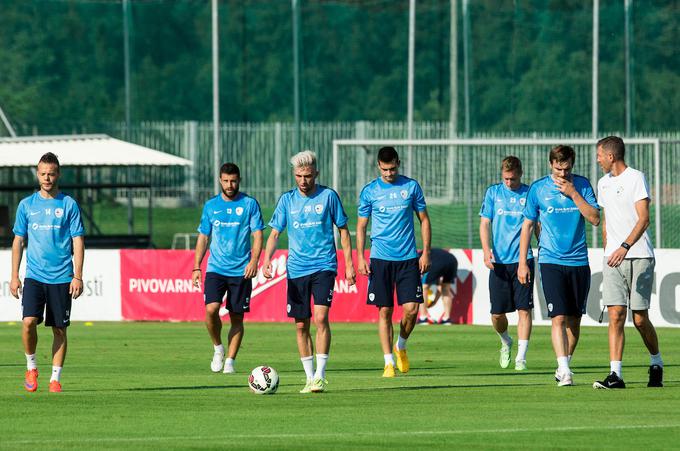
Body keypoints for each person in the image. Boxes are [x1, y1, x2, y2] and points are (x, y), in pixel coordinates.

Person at [263, 150, 355, 394]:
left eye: (307, 176)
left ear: (316, 174)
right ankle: (308, 377)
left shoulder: (328, 196)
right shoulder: (287, 200)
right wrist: (266, 259)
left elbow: (344, 231)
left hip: (324, 266)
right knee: (301, 326)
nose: (303, 181)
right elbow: (274, 233)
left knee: (321, 318)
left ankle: (320, 376)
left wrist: (349, 263)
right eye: (298, 176)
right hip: (296, 270)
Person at [518, 145, 600, 386]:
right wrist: (523, 262)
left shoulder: (583, 185)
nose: (562, 173)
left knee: (575, 321)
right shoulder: (538, 189)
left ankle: (564, 363)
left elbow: (595, 219)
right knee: (558, 317)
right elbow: (527, 226)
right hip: (550, 260)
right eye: (558, 168)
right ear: (550, 164)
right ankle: (564, 371)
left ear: (572, 165)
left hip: (578, 261)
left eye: (566, 169)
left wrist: (574, 194)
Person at [10, 152, 85, 393]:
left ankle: (55, 379)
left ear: (58, 174)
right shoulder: (26, 205)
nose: (47, 178)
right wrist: (14, 275)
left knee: (59, 329)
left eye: (51, 173)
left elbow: (78, 241)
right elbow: (18, 240)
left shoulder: (69, 204)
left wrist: (78, 275)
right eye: (43, 173)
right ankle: (31, 366)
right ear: (37, 174)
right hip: (34, 276)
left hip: (62, 277)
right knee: (29, 322)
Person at [593, 136, 663, 389]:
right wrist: (608, 250)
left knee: (640, 318)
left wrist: (624, 246)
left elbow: (643, 219)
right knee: (616, 315)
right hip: (613, 258)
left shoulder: (636, 178)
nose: (597, 159)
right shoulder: (602, 183)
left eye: (600, 155)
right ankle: (616, 374)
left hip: (639, 255)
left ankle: (656, 362)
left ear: (611, 156)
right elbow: (606, 222)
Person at [356, 146, 431, 378]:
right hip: (380, 259)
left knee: (411, 310)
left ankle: (401, 345)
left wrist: (426, 252)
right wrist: (360, 256)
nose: (389, 173)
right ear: (379, 166)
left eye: (393, 168)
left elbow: (424, 220)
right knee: (385, 311)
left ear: (399, 163)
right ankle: (388, 361)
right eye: (385, 169)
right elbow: (361, 226)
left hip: (408, 258)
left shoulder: (411, 187)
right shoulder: (370, 191)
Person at [192, 163, 264, 374]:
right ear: (220, 181)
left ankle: (230, 361)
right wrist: (197, 266)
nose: (229, 185)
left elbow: (258, 234)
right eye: (225, 181)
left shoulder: (250, 204)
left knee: (236, 317)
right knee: (211, 310)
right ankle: (218, 348)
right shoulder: (211, 206)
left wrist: (254, 261)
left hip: (241, 270)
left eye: (233, 181)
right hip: (216, 268)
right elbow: (204, 236)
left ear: (239, 180)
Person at [479, 156, 535, 371]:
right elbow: (485, 223)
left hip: (523, 260)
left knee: (524, 309)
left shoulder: (529, 193)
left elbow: (535, 225)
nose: (509, 183)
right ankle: (505, 341)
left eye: (512, 179)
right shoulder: (493, 193)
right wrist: (486, 252)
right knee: (497, 314)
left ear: (520, 174)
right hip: (499, 262)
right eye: (505, 179)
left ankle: (521, 357)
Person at [417, 248, 457, 325]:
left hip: (439, 262)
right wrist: (435, 301)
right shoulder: (434, 254)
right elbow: (440, 287)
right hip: (452, 260)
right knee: (446, 288)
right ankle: (447, 319)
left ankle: (423, 317)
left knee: (423, 287)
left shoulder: (418, 258)